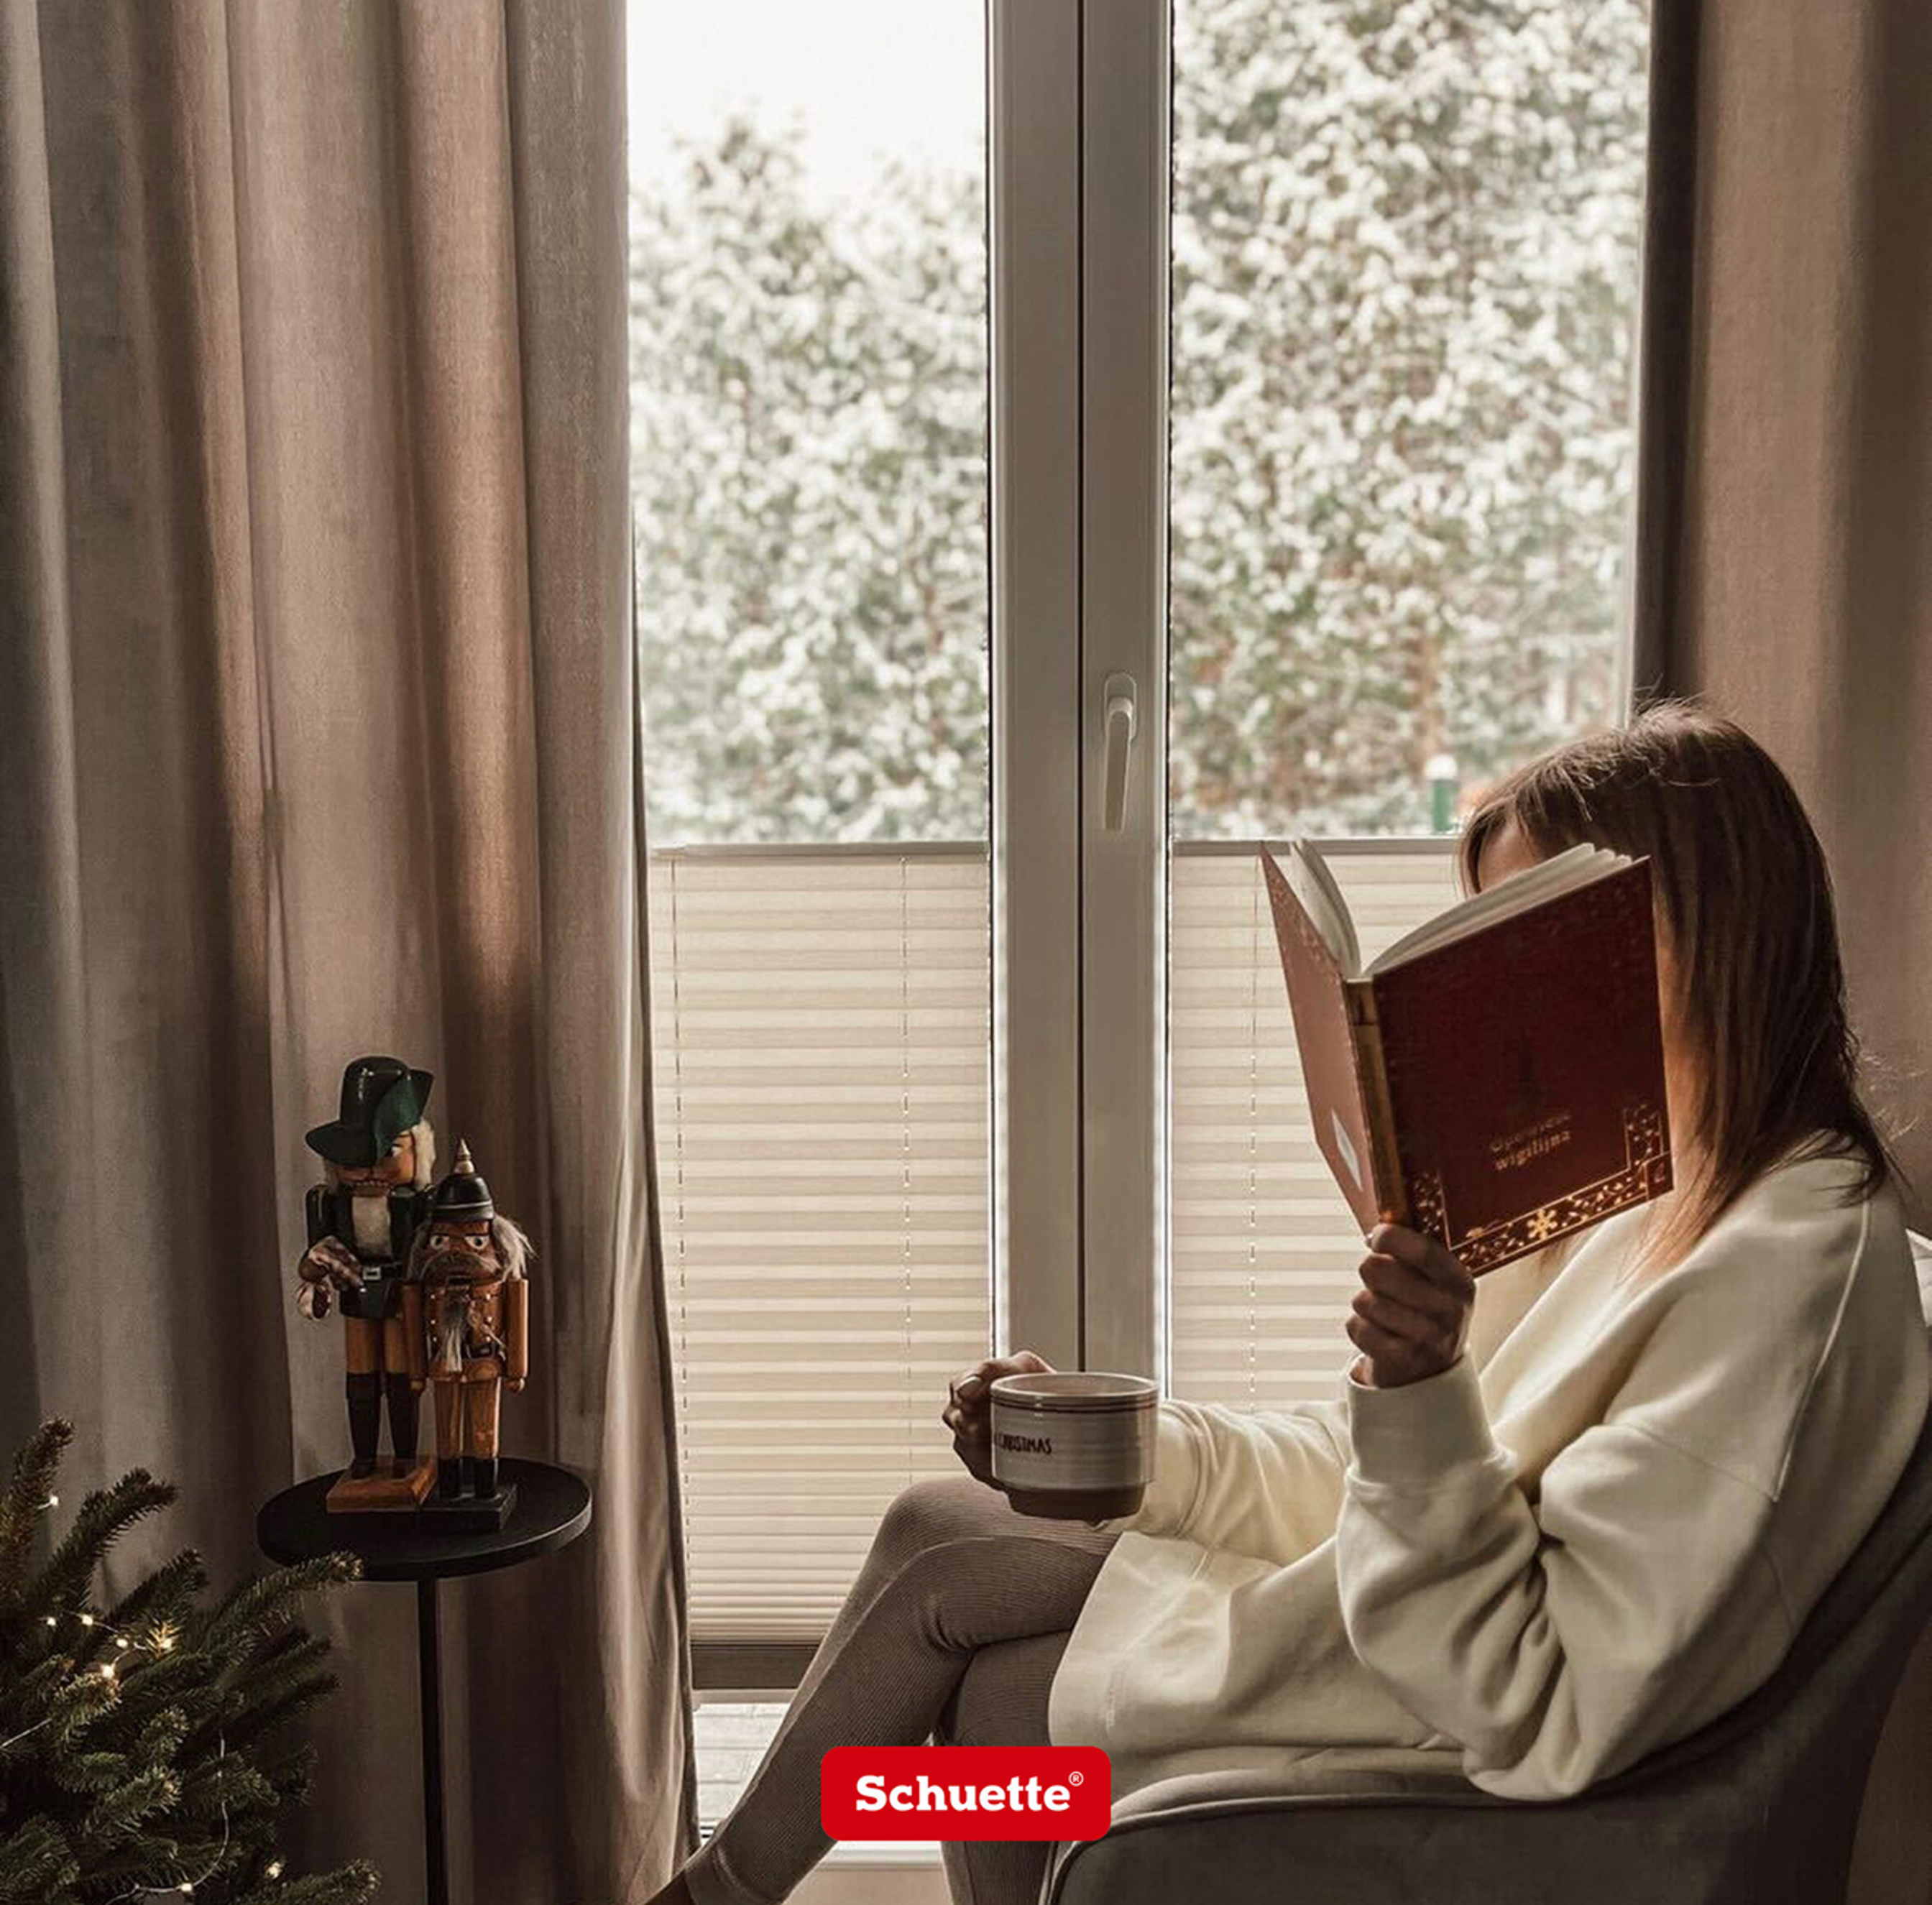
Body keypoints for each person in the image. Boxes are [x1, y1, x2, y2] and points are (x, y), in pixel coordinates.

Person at [651, 705, 1932, 1905]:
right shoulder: (1646, 1181)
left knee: (989, 1707)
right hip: (1387, 1610)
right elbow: (1363, 1463)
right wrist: (1123, 1451)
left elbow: (1539, 1692)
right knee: (941, 1536)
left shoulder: (1780, 1276)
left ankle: (711, 1895)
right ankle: (715, 1892)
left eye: (1525, 944)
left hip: (1429, 1702)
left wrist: (1422, 1389)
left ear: (1695, 930)